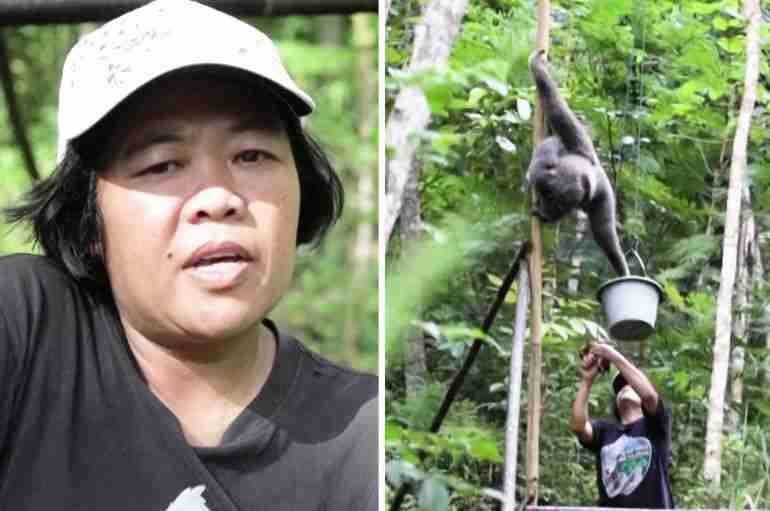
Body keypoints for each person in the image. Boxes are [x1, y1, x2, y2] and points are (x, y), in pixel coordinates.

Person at [0, 1, 377, 509]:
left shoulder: (363, 440)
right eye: (162, 165)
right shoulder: (28, 328)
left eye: (251, 155)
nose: (218, 198)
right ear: (88, 220)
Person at [570, 342, 674, 509]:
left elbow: (649, 396)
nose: (625, 388)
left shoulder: (655, 425)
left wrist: (610, 354)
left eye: (631, 385)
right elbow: (578, 427)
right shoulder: (605, 431)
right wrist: (587, 381)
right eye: (620, 387)